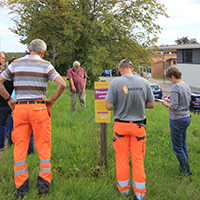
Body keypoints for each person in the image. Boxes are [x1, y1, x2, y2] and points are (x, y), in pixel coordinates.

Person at [0, 39, 66, 198]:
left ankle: (21, 188)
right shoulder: (45, 64)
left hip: (20, 108)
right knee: (43, 147)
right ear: (43, 52)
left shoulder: (15, 64)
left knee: (19, 147)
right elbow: (62, 84)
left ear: (29, 49)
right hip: (39, 108)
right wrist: (52, 100)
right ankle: (43, 186)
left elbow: (0, 81)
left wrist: (9, 99)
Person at [105, 59, 155, 200]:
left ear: (120, 69)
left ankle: (123, 191)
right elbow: (151, 104)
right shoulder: (144, 82)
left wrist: (120, 105)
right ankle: (140, 194)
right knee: (138, 160)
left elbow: (108, 106)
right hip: (138, 126)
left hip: (121, 126)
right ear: (132, 68)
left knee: (121, 159)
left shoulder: (115, 83)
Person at [163, 66, 192, 176]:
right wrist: (169, 100)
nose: (170, 81)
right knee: (183, 145)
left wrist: (165, 103)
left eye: (170, 79)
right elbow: (181, 102)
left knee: (177, 148)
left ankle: (186, 172)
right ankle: (184, 168)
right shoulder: (186, 85)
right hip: (186, 117)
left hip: (177, 119)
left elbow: (174, 107)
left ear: (173, 76)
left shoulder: (175, 87)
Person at [0, 52, 14, 152]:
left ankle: (1, 146)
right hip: (14, 103)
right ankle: (11, 146)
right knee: (12, 125)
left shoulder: (3, 74)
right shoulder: (18, 76)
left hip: (3, 102)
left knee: (2, 124)